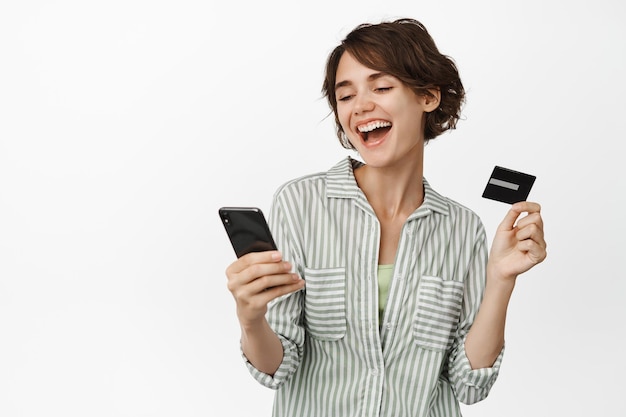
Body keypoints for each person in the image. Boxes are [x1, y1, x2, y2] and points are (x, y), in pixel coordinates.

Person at [225, 18, 547, 417]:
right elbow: (279, 367)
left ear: (428, 96)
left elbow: (469, 384)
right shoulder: (300, 203)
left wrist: (500, 280)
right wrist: (251, 319)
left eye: (381, 87)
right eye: (346, 96)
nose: (360, 106)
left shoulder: (463, 228)